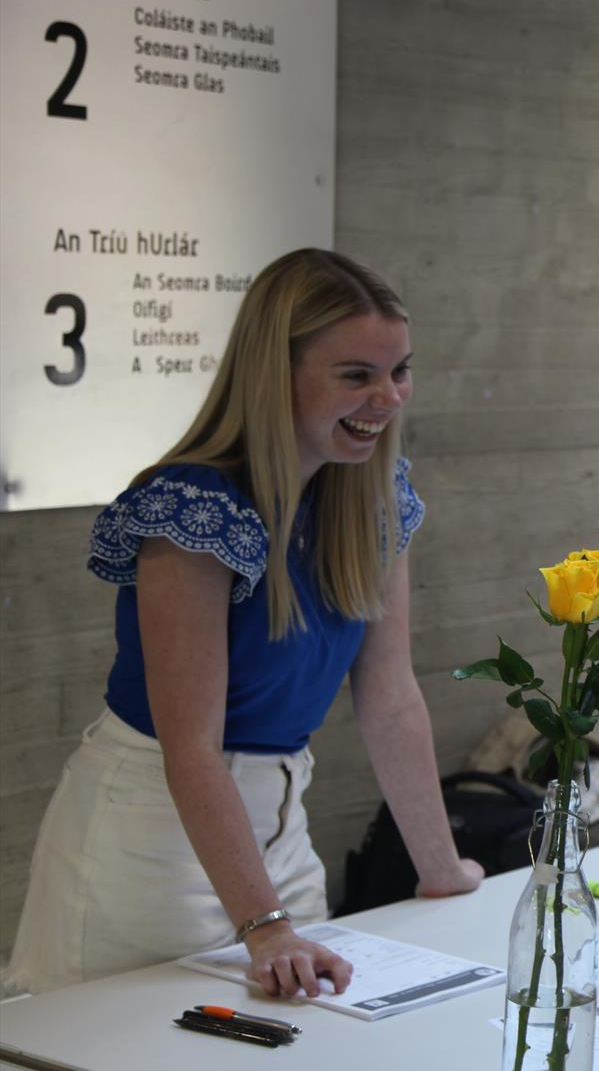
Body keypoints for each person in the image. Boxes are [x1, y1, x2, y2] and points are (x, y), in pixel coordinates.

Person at [1, 249, 483, 999]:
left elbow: (389, 699)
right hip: (150, 841)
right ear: (274, 373)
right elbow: (191, 746)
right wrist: (265, 925)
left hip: (281, 833)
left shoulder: (373, 496)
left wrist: (443, 872)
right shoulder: (192, 508)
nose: (387, 398)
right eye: (356, 375)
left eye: (400, 371)